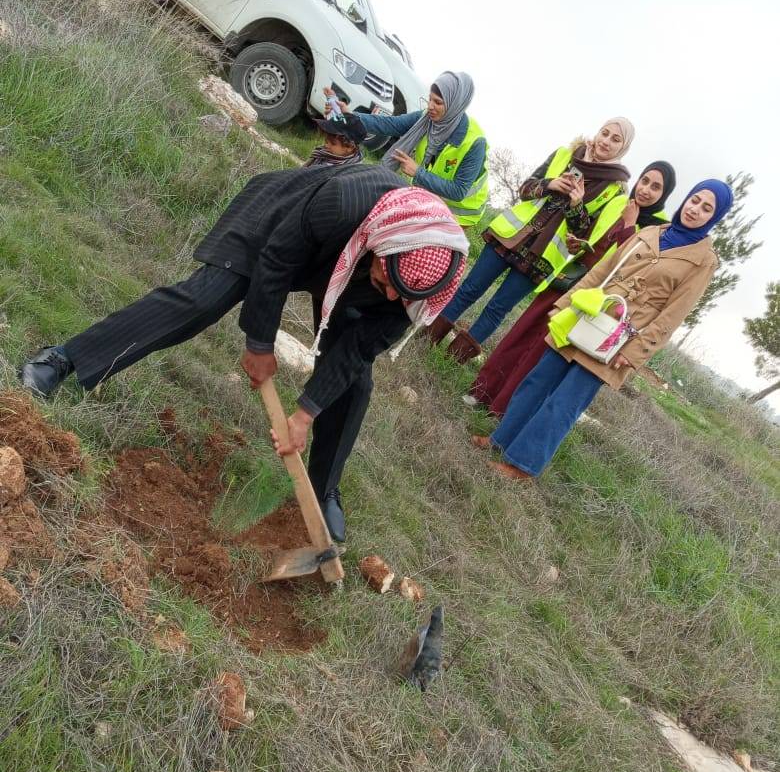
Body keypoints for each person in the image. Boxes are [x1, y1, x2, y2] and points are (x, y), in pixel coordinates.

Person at [20, 167, 468, 542]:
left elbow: (357, 348)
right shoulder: (344, 201)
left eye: (400, 294)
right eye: (389, 281)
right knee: (203, 300)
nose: (391, 295)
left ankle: (320, 491)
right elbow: (276, 261)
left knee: (355, 381)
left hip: (353, 264)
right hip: (281, 222)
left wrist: (304, 414)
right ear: (385, 246)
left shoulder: (416, 291)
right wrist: (259, 343)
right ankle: (65, 360)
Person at [471, 179, 732, 480]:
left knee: (565, 402)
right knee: (537, 381)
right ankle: (501, 439)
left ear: (715, 217)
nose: (695, 209)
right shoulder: (650, 232)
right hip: (588, 316)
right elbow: (604, 270)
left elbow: (672, 316)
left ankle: (522, 465)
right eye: (695, 200)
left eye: (707, 208)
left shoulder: (704, 261)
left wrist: (634, 353)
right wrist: (566, 303)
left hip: (618, 339)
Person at [468, 160, 677, 415]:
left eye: (656, 187)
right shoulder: (618, 202)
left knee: (541, 351)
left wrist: (630, 226)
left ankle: (502, 409)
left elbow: (634, 266)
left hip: (598, 300)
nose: (646, 190)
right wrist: (579, 242)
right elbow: (590, 232)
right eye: (644, 181)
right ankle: (482, 390)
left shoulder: (658, 229)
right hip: (571, 279)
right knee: (523, 332)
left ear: (664, 195)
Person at [428, 118, 635, 362]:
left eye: (615, 139)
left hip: (542, 257)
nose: (606, 141)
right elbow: (525, 189)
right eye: (605, 133)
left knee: (497, 309)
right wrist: (550, 184)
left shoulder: (615, 191)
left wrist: (576, 205)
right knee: (469, 289)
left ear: (624, 147)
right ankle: (428, 338)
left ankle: (451, 361)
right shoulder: (564, 154)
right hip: (510, 236)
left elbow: (584, 236)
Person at [324, 70, 489, 226]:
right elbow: (389, 124)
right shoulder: (425, 119)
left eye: (438, 102)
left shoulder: (475, 143)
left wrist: (418, 173)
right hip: (428, 195)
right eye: (430, 99)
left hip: (460, 212)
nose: (430, 106)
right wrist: (351, 115)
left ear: (455, 105)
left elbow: (459, 191)